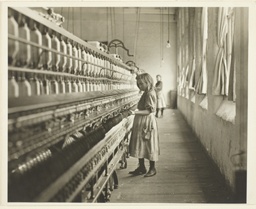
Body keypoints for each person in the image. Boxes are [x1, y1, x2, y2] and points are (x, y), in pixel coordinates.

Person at [128, 73, 160, 177]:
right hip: (142, 121)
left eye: (141, 83)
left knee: (149, 144)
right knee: (140, 143)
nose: (139, 86)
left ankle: (152, 168)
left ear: (148, 82)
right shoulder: (146, 92)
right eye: (138, 83)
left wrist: (134, 112)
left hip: (146, 122)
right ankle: (141, 167)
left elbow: (149, 111)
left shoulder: (150, 93)